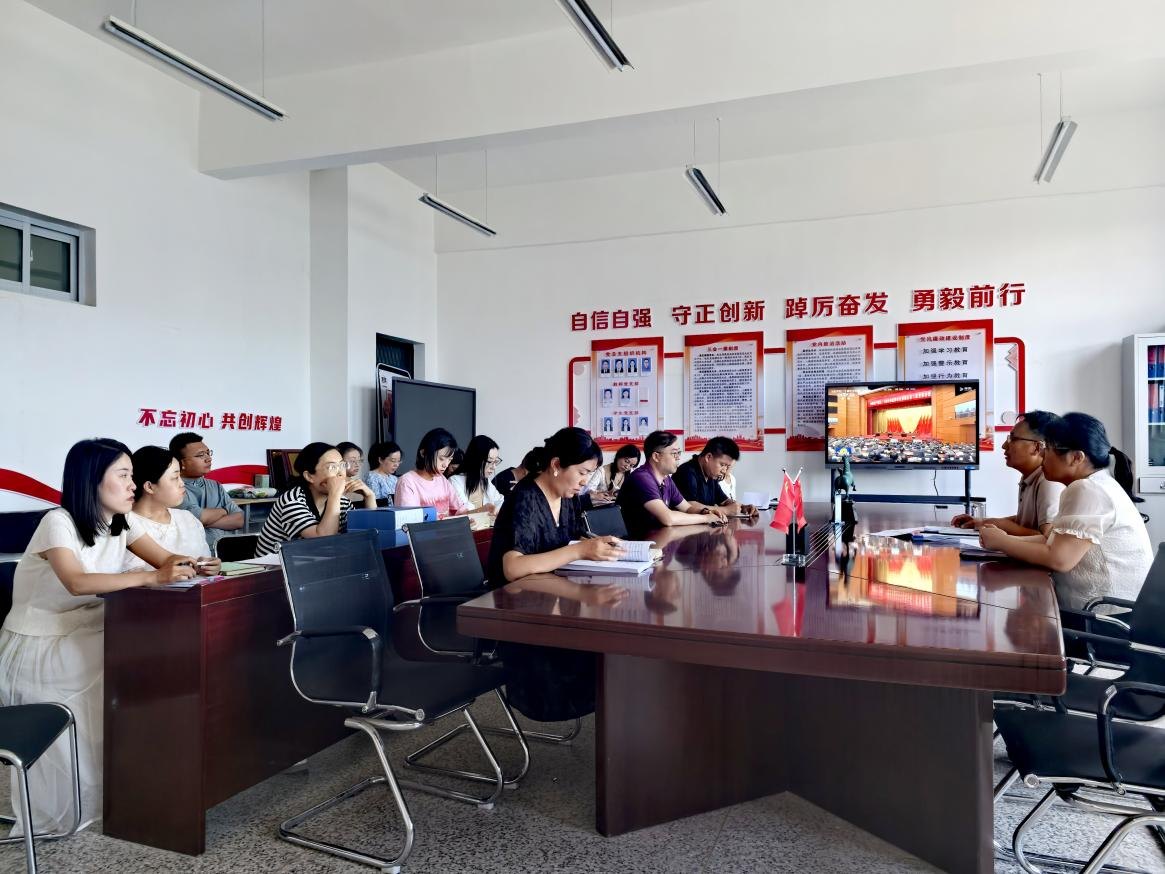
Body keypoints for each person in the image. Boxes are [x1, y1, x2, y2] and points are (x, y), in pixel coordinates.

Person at [0, 439, 199, 834]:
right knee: (101, 716)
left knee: (141, 692)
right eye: (123, 475)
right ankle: (67, 812)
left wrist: (195, 563)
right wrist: (152, 577)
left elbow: (165, 560)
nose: (132, 485)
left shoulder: (122, 521)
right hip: (45, 647)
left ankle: (118, 799)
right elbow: (76, 582)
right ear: (92, 480)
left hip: (94, 634)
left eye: (132, 476)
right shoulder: (58, 521)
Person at [486, 428, 625, 721]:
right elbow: (513, 567)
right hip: (520, 608)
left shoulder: (567, 496)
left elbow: (570, 541)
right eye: (582, 472)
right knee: (599, 654)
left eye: (590, 473)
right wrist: (580, 551)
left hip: (550, 598)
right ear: (557, 465)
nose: (585, 481)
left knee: (610, 644)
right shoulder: (526, 497)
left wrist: (596, 545)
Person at [979, 413, 1153, 608]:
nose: (1041, 456)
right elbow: (1051, 541)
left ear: (1076, 457)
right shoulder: (1095, 484)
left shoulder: (1088, 489)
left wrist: (1002, 542)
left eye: (1048, 449)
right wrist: (1002, 538)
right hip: (1106, 611)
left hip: (1101, 616)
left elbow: (1059, 559)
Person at [951, 411, 1064, 536]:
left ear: (1036, 447)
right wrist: (983, 521)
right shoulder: (1030, 477)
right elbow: (1024, 521)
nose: (1004, 446)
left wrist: (999, 525)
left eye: (1013, 439)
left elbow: (1047, 538)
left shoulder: (1049, 482)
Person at [255, 442, 376, 556]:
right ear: (309, 476)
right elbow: (324, 541)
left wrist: (370, 497)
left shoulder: (342, 502)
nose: (341, 473)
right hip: (273, 568)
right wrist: (335, 494)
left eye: (342, 465)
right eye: (332, 467)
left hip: (311, 562)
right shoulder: (292, 501)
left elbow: (366, 536)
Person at [122, 445, 219, 573]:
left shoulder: (188, 518)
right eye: (175, 478)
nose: (182, 483)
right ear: (149, 487)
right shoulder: (124, 524)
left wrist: (208, 566)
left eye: (180, 477)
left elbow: (199, 565)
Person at [617, 431, 730, 535]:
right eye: (674, 453)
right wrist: (706, 518)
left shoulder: (666, 479)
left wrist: (706, 512)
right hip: (634, 543)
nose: (678, 458)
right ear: (656, 456)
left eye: (678, 453)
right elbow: (668, 518)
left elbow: (687, 508)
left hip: (656, 539)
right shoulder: (642, 478)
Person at [169, 432, 243, 553]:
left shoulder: (215, 485)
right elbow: (199, 518)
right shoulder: (173, 487)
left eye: (208, 453)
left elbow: (239, 519)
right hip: (195, 555)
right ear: (182, 463)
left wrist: (204, 521)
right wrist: (225, 510)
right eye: (200, 455)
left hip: (228, 551)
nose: (208, 458)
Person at [395, 428, 473, 517]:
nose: (446, 465)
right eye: (441, 459)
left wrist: (480, 510)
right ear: (423, 453)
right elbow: (409, 520)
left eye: (449, 459)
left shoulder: (442, 479)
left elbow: (460, 510)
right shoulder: (407, 482)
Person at [673, 437, 758, 517]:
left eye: (727, 466)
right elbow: (689, 506)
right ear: (708, 457)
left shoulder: (710, 475)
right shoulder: (687, 472)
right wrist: (726, 510)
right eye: (722, 465)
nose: (724, 470)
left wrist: (742, 508)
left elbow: (724, 501)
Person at [449, 435, 504, 517]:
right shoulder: (455, 481)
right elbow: (460, 514)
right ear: (476, 459)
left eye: (495, 461)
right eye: (489, 461)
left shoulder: (485, 481)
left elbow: (500, 501)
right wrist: (483, 509)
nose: (494, 467)